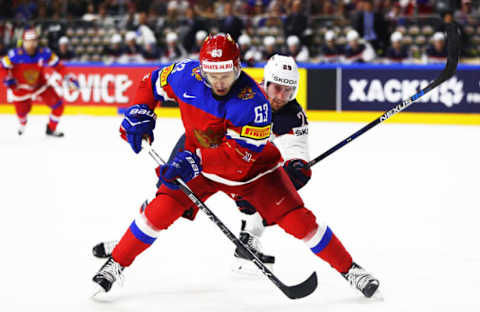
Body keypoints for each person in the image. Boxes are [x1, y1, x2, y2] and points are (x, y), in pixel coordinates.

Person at [91, 34, 380, 299]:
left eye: (226, 74)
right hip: (200, 164)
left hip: (253, 172)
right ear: (201, 68)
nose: (219, 82)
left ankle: (351, 269)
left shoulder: (255, 104)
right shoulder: (183, 74)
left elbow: (239, 162)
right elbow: (150, 82)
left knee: (300, 221)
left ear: (238, 68)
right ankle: (115, 264)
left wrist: (199, 161)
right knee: (160, 209)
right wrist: (141, 110)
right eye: (211, 74)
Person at [92, 54, 312, 273]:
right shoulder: (245, 91)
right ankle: (125, 245)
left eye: (289, 90)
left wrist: (296, 168)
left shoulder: (293, 115)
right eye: (277, 88)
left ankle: (248, 239)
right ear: (266, 81)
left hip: (236, 164)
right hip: (198, 149)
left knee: (256, 197)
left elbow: (297, 150)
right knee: (165, 200)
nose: (281, 96)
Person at [1, 28, 78, 136]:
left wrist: (69, 77)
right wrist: (6, 79)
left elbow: (59, 67)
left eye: (34, 41)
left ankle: (51, 129)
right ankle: (23, 122)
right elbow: (2, 67)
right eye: (28, 41)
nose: (31, 44)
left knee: (58, 105)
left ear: (37, 41)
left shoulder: (45, 52)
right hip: (20, 87)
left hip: (40, 85)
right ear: (23, 42)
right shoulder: (14, 54)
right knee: (22, 113)